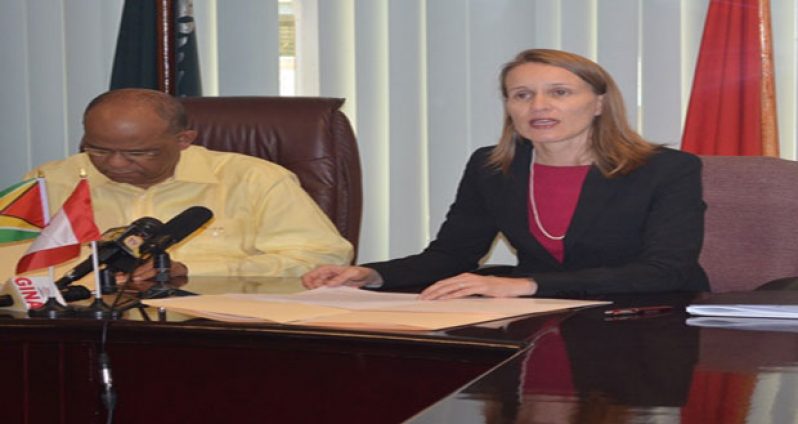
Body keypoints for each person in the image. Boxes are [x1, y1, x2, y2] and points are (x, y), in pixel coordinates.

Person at [302, 48, 708, 299]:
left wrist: (527, 285)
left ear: (600, 104)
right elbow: (452, 255)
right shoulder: (493, 168)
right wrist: (371, 274)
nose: (539, 106)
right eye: (522, 95)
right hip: (542, 316)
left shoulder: (667, 170)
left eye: (560, 92)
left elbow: (665, 270)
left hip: (644, 323)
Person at [26, 88, 353, 281]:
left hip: (213, 336)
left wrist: (190, 269)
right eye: (97, 149)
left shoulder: (253, 180)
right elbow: (12, 266)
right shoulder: (51, 181)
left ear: (184, 140)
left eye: (138, 152)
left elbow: (323, 259)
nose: (114, 163)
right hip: (83, 331)